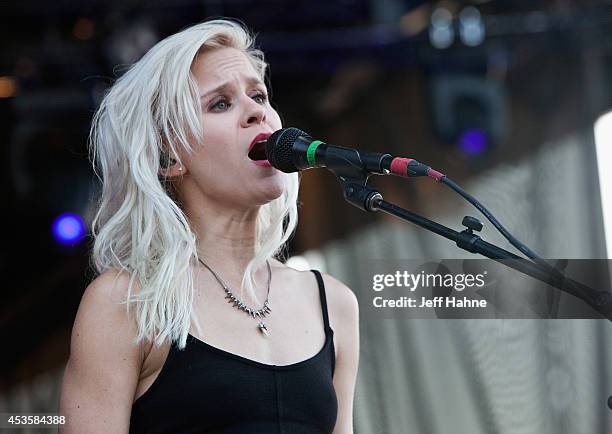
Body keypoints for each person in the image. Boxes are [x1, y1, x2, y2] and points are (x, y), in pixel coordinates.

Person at [58, 18, 360, 434]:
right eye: (220, 103)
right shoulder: (126, 304)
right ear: (169, 158)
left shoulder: (334, 304)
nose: (256, 111)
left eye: (258, 95)